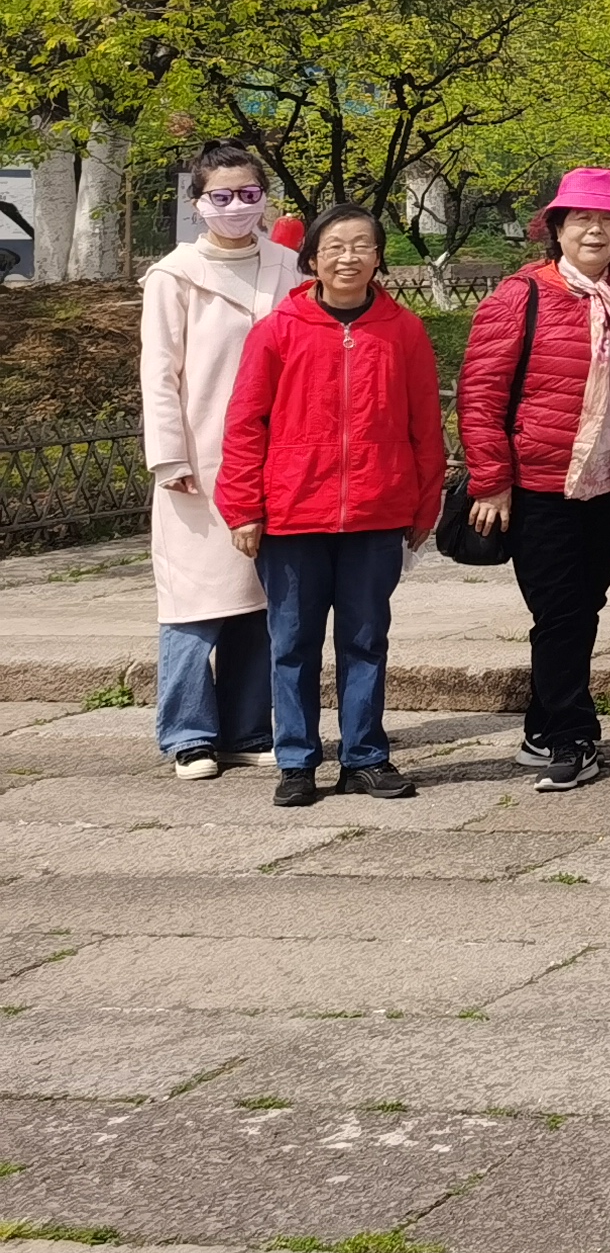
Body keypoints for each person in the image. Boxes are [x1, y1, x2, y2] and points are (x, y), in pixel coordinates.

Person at [218, 203, 440, 808]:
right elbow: (245, 423)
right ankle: (296, 760)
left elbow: (425, 423)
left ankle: (365, 757)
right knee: (292, 643)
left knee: (366, 641)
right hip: (293, 513)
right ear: (312, 259)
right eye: (335, 247)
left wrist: (424, 506)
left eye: (362, 245)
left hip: (377, 510)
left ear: (378, 257)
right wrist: (243, 506)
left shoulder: (403, 330)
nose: (349, 257)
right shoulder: (278, 329)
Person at [460, 166, 610, 794]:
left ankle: (540, 727)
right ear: (557, 228)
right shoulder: (519, 296)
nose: (595, 230)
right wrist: (491, 480)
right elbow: (480, 394)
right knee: (560, 611)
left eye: (609, 220)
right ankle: (575, 736)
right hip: (539, 484)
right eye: (582, 219)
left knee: (581, 606)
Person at [138, 143, 298, 779]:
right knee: (194, 604)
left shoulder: (288, 266)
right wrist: (167, 456)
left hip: (277, 454)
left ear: (265, 199)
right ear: (198, 202)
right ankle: (188, 733)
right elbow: (159, 373)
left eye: (249, 195)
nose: (236, 207)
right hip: (199, 459)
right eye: (221, 196)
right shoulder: (174, 275)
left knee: (258, 601)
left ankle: (246, 727)